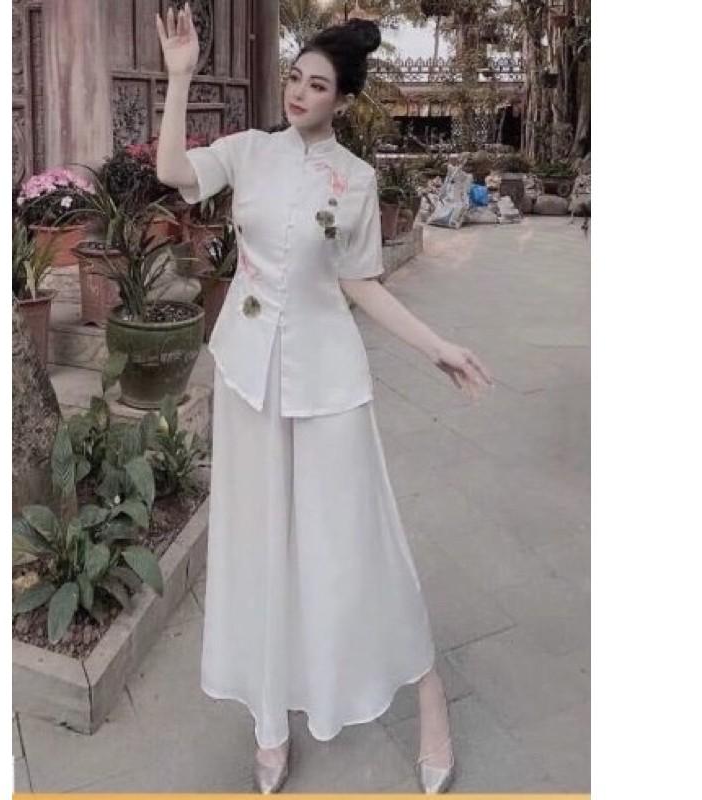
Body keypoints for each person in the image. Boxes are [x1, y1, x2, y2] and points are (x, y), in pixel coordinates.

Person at [155, 3, 493, 793]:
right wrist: (179, 77)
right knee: (258, 544)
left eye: (317, 85)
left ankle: (428, 692)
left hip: (328, 380)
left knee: (356, 539)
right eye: (295, 78)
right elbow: (173, 172)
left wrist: (437, 346)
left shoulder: (358, 180)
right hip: (248, 375)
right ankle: (270, 722)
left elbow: (361, 284)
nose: (299, 93)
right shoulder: (248, 151)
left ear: (341, 99)